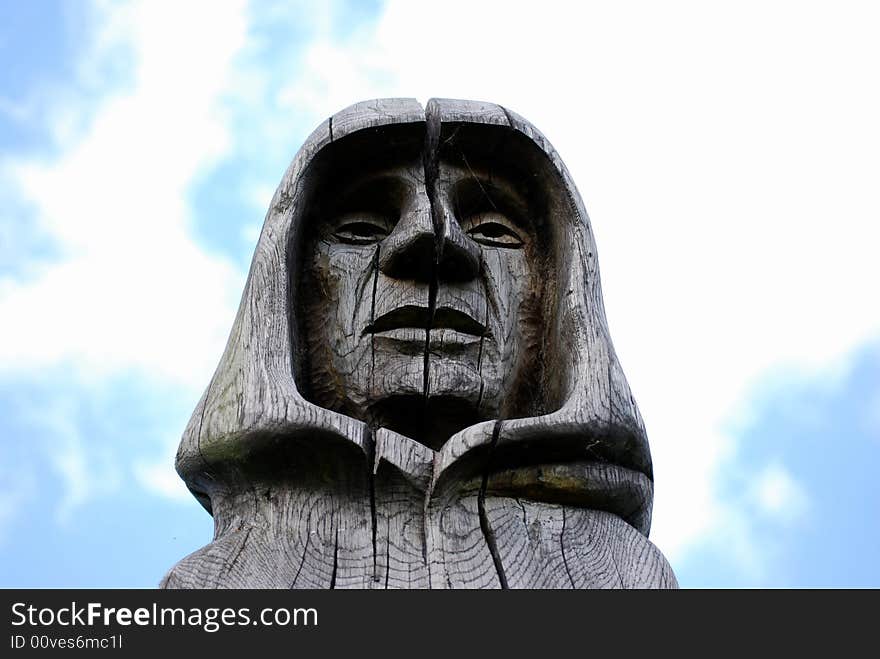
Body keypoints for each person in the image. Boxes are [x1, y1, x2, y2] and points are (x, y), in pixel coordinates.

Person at [162, 98, 677, 588]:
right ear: (289, 300)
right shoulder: (214, 582)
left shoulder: (622, 572)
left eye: (495, 231)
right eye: (360, 229)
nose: (433, 238)